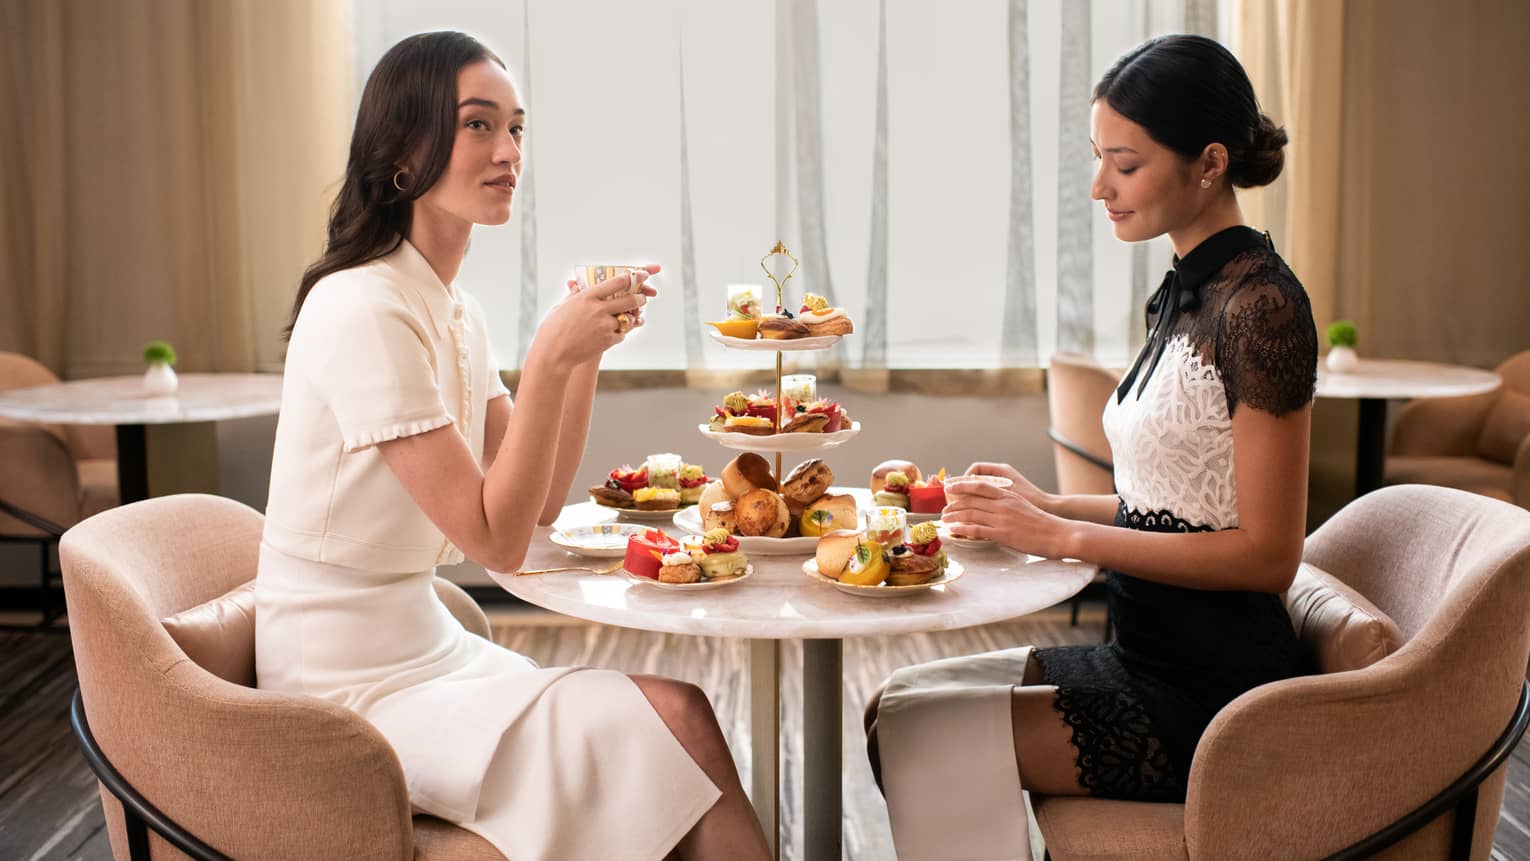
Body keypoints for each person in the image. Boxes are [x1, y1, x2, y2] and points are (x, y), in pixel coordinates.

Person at [254, 31, 769, 861]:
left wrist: (582, 359)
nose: (508, 152)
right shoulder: (361, 308)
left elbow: (535, 509)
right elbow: (489, 537)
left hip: (424, 643)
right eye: (478, 126)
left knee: (677, 726)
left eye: (518, 128)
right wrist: (548, 357)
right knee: (676, 716)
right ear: (404, 147)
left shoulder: (453, 309)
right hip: (346, 682)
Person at [866, 34, 1317, 859]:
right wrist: (1042, 503)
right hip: (1139, 650)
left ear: (1209, 162)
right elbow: (1179, 508)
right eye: (1097, 157)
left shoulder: (1263, 308)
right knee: (888, 711)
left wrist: (1059, 535)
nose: (1098, 186)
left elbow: (1268, 554)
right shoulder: (1184, 291)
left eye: (1125, 163)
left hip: (1212, 694)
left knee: (919, 736)